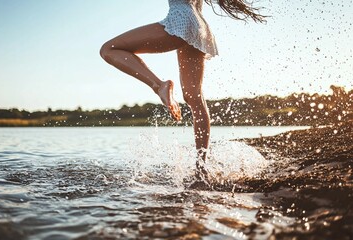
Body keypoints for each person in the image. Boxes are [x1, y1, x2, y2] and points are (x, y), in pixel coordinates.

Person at [100, 0, 266, 185]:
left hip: (181, 21)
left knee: (108, 49)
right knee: (195, 97)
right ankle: (201, 170)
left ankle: (158, 85)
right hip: (199, 25)